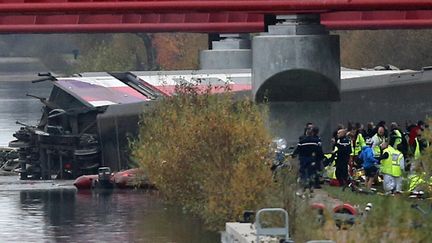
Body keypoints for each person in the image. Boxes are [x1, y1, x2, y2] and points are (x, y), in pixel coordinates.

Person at [294, 127, 324, 194]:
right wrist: (321, 156)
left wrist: (293, 155)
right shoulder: (315, 142)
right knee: (311, 173)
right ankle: (311, 187)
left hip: (303, 159)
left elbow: (297, 150)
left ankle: (303, 186)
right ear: (312, 133)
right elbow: (319, 150)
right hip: (312, 159)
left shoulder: (302, 142)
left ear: (306, 134)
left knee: (303, 172)